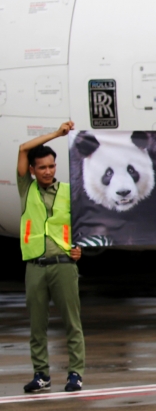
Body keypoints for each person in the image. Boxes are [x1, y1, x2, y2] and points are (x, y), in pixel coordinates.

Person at [17, 122, 85, 393]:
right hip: (35, 265)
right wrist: (58, 134)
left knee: (72, 322)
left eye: (51, 166)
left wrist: (80, 247)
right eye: (42, 167)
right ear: (33, 170)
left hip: (64, 265)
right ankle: (41, 374)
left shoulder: (68, 192)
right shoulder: (27, 188)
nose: (48, 171)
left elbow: (80, 225)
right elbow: (23, 148)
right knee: (37, 325)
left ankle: (75, 374)